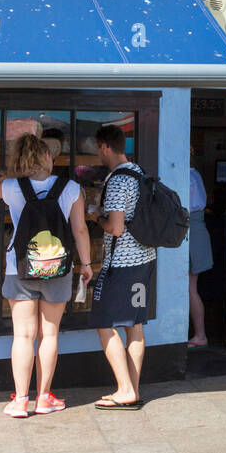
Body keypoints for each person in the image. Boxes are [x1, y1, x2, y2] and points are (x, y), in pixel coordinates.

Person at [0, 134, 93, 417]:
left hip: (21, 268)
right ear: (48, 157)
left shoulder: (11, 187)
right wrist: (85, 264)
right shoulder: (71, 188)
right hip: (58, 269)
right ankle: (44, 397)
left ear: (21, 160)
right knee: (49, 334)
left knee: (23, 335)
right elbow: (80, 230)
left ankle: (21, 400)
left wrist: (17, 171)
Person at [90, 124, 155, 410]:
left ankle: (125, 389)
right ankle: (133, 389)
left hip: (122, 265)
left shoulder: (117, 181)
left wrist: (95, 218)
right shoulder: (139, 173)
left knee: (104, 323)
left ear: (105, 146)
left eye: (97, 148)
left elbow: (115, 228)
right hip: (145, 261)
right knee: (135, 326)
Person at [186, 160, 211, 348]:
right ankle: (199, 334)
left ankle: (200, 334)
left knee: (189, 288)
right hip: (197, 230)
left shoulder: (187, 176)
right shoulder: (195, 175)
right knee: (191, 288)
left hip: (190, 232)